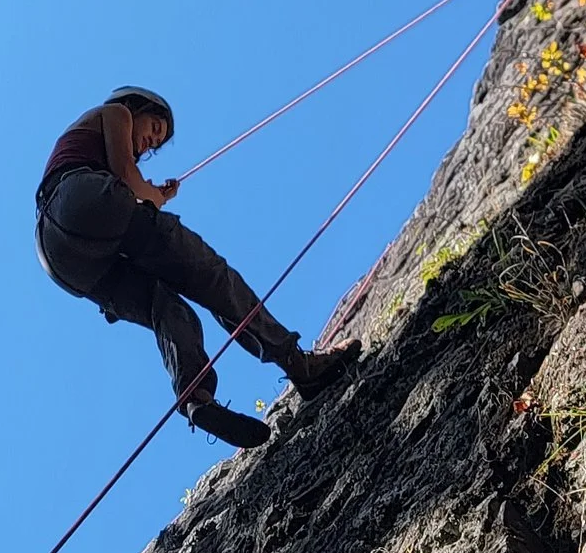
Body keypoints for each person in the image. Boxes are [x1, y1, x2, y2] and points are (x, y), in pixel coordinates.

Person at [35, 87, 359, 449]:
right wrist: (154, 197)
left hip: (61, 257)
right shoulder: (117, 113)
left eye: (155, 143)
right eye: (155, 128)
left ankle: (196, 398)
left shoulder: (93, 149)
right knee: (212, 276)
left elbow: (128, 180)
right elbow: (127, 174)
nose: (149, 143)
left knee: (167, 308)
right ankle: (298, 364)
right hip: (79, 200)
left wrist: (151, 195)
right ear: (138, 105)